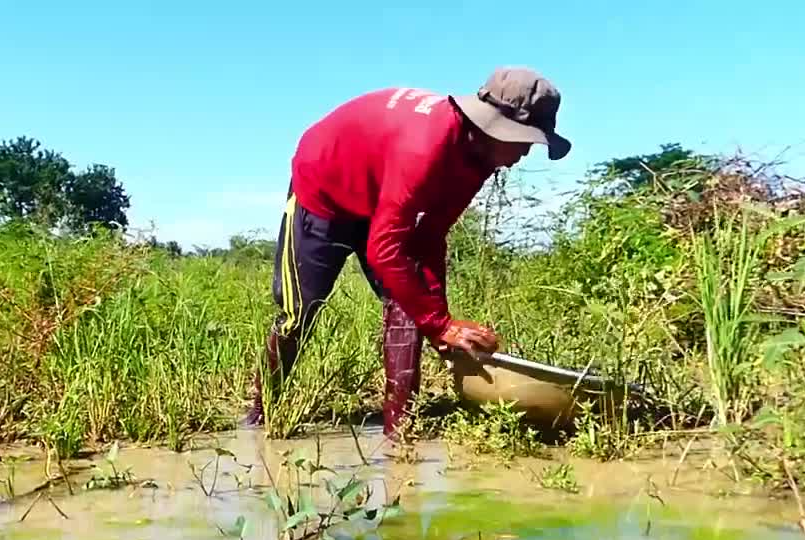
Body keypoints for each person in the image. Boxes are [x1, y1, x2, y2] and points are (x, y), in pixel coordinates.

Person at [243, 66, 572, 440]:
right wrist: (440, 326)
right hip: (324, 188)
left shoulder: (479, 158)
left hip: (383, 196)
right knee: (299, 312)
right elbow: (383, 250)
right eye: (525, 141)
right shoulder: (425, 147)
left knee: (407, 300)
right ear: (494, 127)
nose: (526, 152)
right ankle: (262, 413)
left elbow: (431, 237)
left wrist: (439, 321)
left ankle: (401, 431)